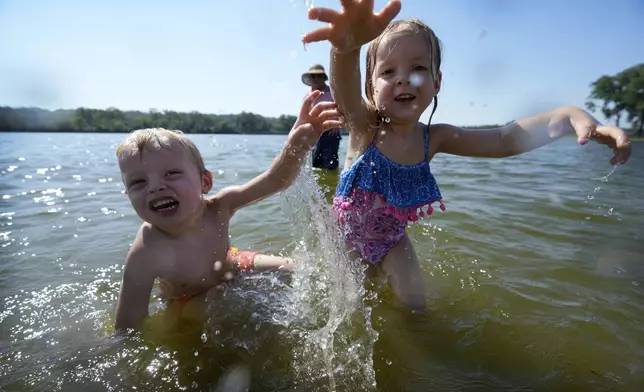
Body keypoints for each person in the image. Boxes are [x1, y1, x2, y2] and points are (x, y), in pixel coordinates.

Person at [302, 0, 632, 309]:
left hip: (393, 241)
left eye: (418, 68)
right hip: (347, 238)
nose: (403, 78)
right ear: (371, 87)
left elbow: (506, 139)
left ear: (437, 82)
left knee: (416, 309)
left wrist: (568, 114)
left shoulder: (436, 138)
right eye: (388, 72)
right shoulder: (366, 127)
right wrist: (345, 50)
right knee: (347, 307)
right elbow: (344, 95)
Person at [113, 90, 344, 332]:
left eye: (171, 174)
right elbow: (127, 325)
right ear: (128, 194)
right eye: (138, 182)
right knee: (235, 314)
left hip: (229, 263)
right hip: (188, 300)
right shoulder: (146, 250)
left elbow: (276, 180)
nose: (156, 187)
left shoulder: (219, 207)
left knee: (298, 270)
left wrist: (295, 144)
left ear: (205, 182)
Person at [302, 64, 343, 171]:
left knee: (330, 164)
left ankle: (332, 185)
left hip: (331, 132)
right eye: (313, 76)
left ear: (324, 78)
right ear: (309, 78)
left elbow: (342, 108)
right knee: (315, 164)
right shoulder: (307, 95)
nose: (316, 79)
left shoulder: (333, 92)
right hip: (314, 132)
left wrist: (338, 123)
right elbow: (304, 114)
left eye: (319, 76)